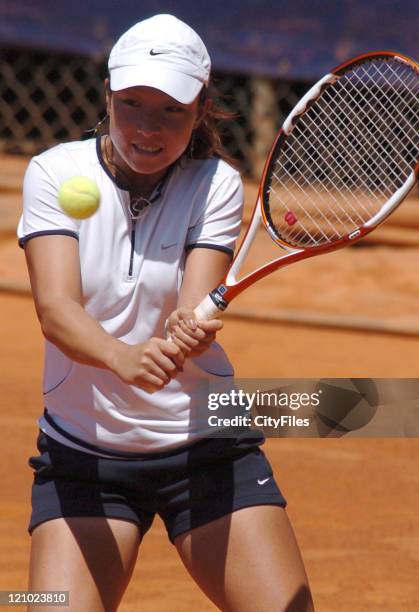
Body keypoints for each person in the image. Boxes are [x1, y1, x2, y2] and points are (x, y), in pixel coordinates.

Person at [18, 14, 314, 612]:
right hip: (84, 459)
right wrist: (121, 355)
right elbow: (55, 308)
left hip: (205, 445)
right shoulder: (54, 171)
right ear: (107, 95)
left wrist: (190, 326)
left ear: (201, 110)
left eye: (171, 111)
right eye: (131, 104)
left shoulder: (217, 185)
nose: (147, 129)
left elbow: (193, 303)